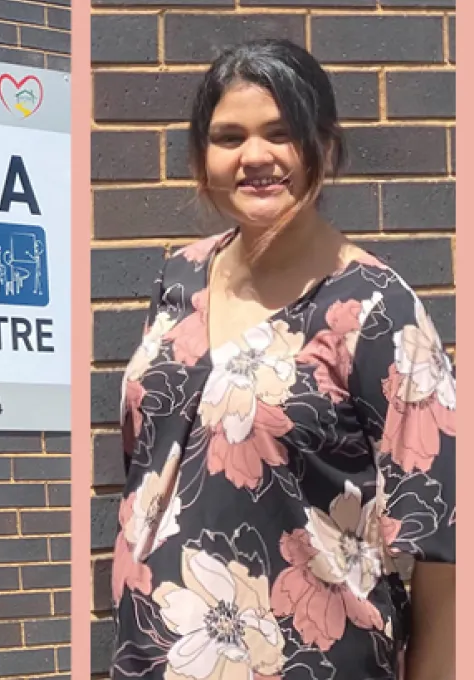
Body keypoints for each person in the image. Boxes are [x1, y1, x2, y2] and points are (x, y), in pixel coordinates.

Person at [109, 38, 455, 680]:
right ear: (201, 156)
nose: (256, 156)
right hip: (157, 656)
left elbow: (446, 549)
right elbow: (150, 459)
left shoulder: (376, 311)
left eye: (281, 132)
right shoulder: (180, 278)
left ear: (324, 147)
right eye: (229, 136)